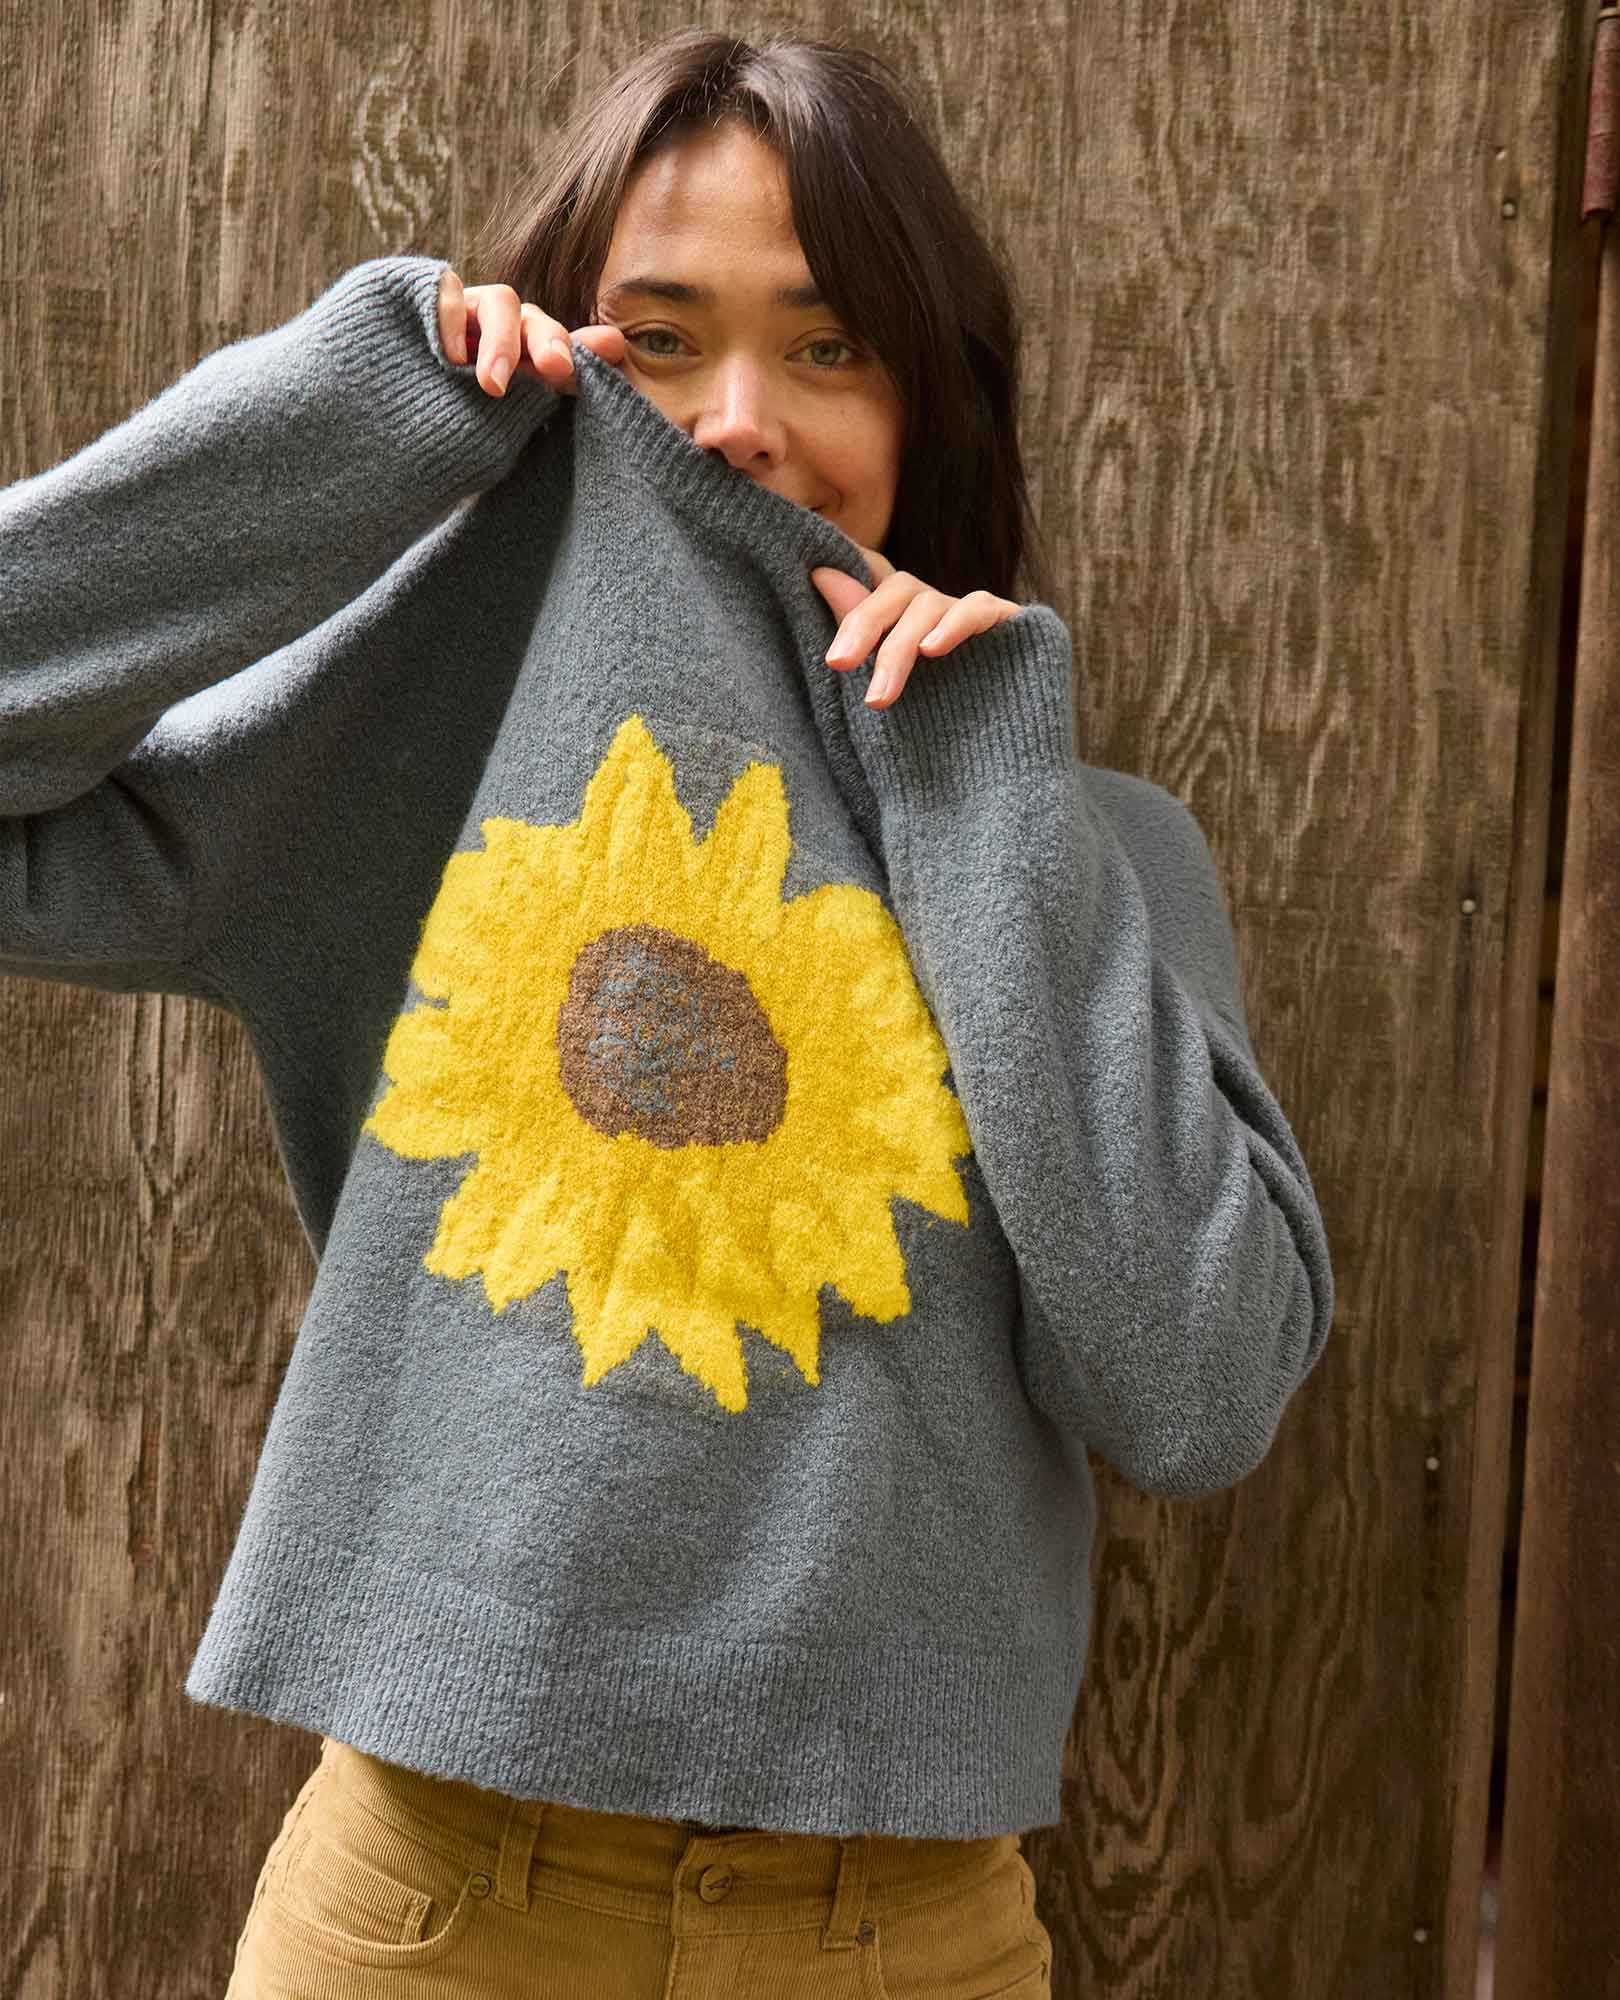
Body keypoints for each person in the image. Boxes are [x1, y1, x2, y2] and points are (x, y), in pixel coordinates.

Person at [0, 28, 1335, 1998]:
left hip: (902, 1944)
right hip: (429, 1908)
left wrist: (989, 809)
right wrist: (353, 421)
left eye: (828, 345)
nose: (735, 422)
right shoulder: (402, 777)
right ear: (555, 364)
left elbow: (1199, 1397)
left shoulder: (1095, 857)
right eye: (658, 336)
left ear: (932, 394)